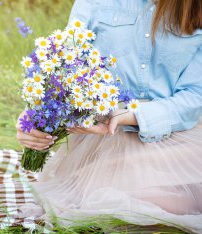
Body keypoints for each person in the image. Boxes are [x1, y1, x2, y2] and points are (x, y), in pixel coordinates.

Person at [15, 0, 202, 232]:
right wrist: (35, 112)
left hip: (176, 135)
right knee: (114, 204)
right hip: (106, 139)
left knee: (172, 203)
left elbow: (194, 96)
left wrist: (131, 114)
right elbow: (65, 61)